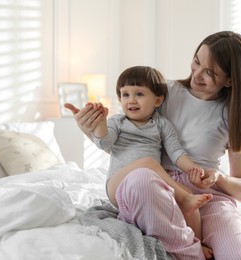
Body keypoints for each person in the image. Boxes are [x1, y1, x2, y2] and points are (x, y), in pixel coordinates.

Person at [65, 31, 241, 260]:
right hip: (156, 186)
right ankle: (192, 254)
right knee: (142, 177)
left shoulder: (234, 113)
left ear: (230, 80)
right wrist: (88, 127)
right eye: (196, 62)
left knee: (238, 254)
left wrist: (218, 177)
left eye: (210, 72)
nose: (196, 74)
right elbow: (123, 142)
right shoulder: (164, 92)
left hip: (207, 195)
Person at [67, 66, 213, 259]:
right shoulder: (118, 122)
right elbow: (104, 142)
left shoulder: (161, 124)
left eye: (139, 94)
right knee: (148, 163)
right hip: (117, 185)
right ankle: (184, 199)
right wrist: (101, 123)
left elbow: (177, 153)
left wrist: (193, 168)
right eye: (125, 94)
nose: (131, 100)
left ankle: (195, 244)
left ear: (157, 100)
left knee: (192, 207)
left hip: (148, 182)